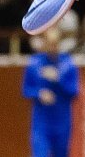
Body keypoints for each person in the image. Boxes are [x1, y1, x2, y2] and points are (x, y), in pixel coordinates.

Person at [23, 26, 79, 157]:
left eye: (55, 44)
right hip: (41, 123)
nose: (52, 48)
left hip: (62, 122)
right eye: (49, 44)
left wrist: (58, 78)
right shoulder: (34, 63)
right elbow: (26, 89)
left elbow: (74, 91)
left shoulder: (68, 64)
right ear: (44, 43)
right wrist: (39, 93)